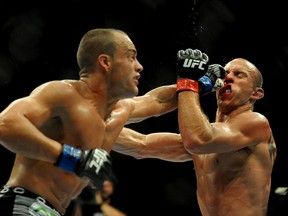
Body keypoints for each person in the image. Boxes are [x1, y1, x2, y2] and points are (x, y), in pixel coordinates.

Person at [113, 49, 277, 216]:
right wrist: (99, 127)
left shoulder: (256, 123)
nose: (228, 77)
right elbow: (141, 145)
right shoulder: (211, 138)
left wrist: (188, 82)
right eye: (225, 73)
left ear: (257, 93)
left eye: (239, 75)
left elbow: (197, 139)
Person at [0, 28, 145, 216]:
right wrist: (72, 159)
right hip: (23, 205)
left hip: (49, 210)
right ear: (105, 62)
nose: (139, 66)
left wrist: (189, 82)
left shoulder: (112, 115)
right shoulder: (64, 93)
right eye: (131, 57)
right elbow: (5, 124)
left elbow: (159, 101)